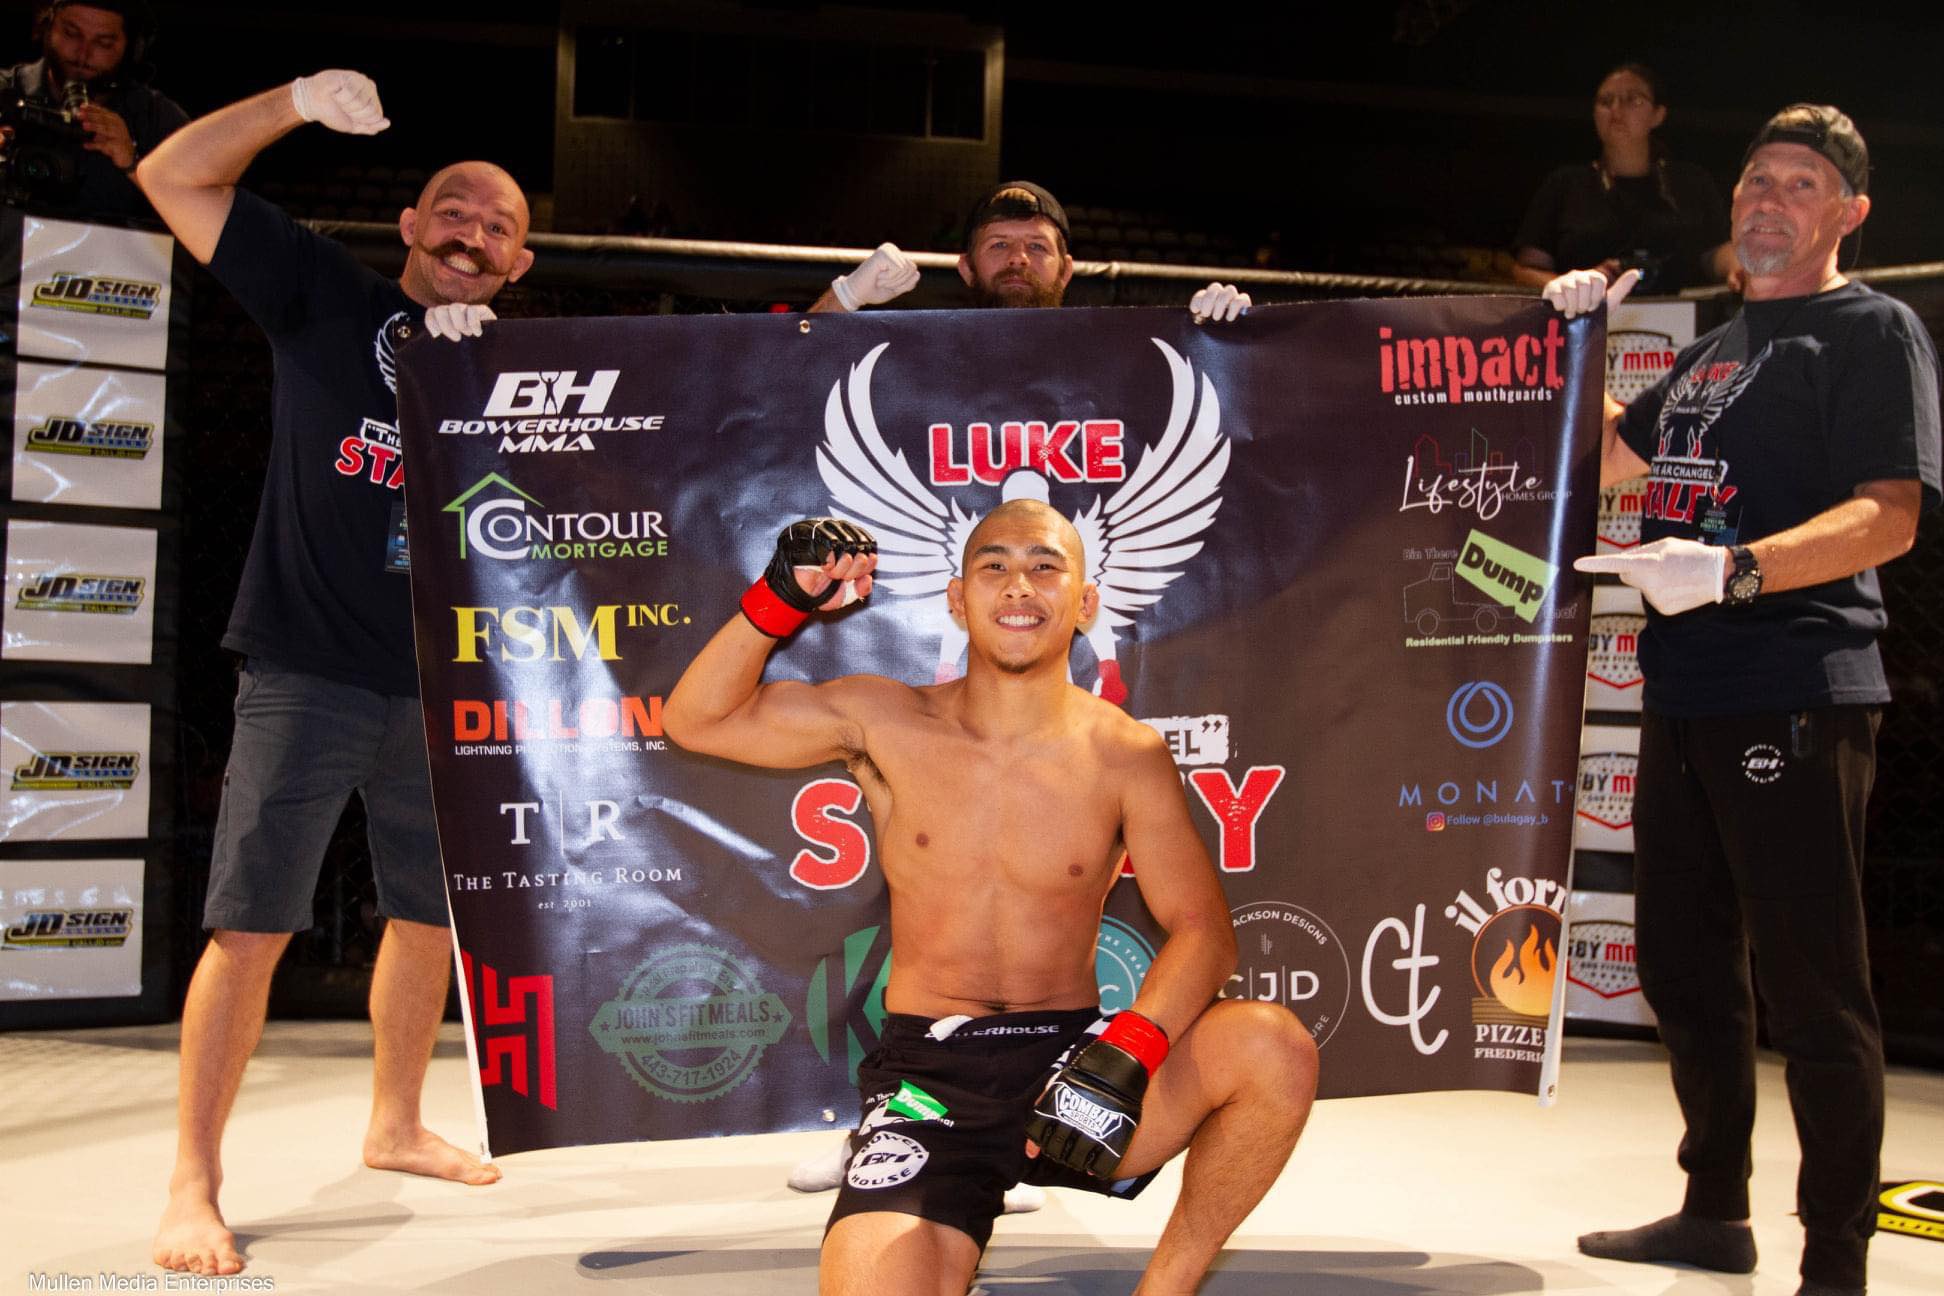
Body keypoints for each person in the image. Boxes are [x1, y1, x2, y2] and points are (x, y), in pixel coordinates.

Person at [664, 505, 1317, 1295]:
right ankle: (941, 1202)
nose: (1019, 586)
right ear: (955, 597)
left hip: (1076, 1066)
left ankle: (1168, 1286)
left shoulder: (1124, 752)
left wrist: (1131, 1049)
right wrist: (780, 597)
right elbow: (697, 720)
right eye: (994, 566)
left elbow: (1204, 932)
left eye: (1046, 567)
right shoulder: (884, 720)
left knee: (1271, 1045)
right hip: (931, 1078)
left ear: (1085, 603)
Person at [134, 70, 536, 1276]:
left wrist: (828, 305)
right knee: (250, 928)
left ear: (518, 266)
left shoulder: (522, 373)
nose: (473, 231)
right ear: (411, 228)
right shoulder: (322, 297)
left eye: (500, 226)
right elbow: (172, 175)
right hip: (304, 669)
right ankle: (194, 1181)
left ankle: (398, 1122)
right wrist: (294, 104)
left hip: (441, 684)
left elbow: (705, 410)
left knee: (427, 920)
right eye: (453, 211)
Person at [1547, 104, 1940, 1296]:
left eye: (1801, 183)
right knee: (1681, 962)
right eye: (1756, 180)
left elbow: (1893, 513)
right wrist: (1570, 343)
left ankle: (1836, 1257)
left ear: (1849, 214)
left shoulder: (1870, 330)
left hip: (1796, 683)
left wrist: (1736, 568)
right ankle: (1716, 1209)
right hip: (1686, 687)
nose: (1767, 199)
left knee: (1813, 983)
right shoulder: (1712, 349)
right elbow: (1613, 458)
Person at [808, 179, 1253, 322]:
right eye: (999, 244)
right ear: (965, 268)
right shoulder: (923, 353)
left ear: (1066, 270)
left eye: (1037, 246)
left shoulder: (1112, 356)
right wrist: (844, 300)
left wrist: (1227, 348)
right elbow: (778, 387)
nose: (1018, 258)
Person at [1510, 64, 1733, 294]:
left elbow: (1716, 253)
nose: (1616, 110)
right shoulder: (1565, 185)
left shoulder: (1691, 183)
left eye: (1632, 100)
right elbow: (1525, 269)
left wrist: (1740, 270)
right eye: (1605, 102)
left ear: (1658, 114)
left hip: (1682, 319)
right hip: (1587, 318)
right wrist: (1571, 286)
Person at [0, 1, 186, 220]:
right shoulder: (6, 89)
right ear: (47, 27)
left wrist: (133, 166)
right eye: (71, 34)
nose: (83, 54)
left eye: (104, 44)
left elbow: (205, 221)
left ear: (131, 48)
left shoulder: (157, 118)